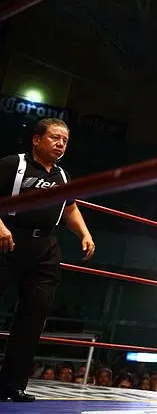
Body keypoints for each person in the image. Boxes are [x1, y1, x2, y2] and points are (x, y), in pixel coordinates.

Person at [0, 118, 95, 402]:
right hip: (8, 240)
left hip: (44, 248)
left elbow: (69, 208)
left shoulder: (62, 176)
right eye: (55, 138)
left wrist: (85, 233)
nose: (60, 144)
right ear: (36, 139)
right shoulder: (12, 164)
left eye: (65, 140)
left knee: (34, 317)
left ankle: (12, 385)